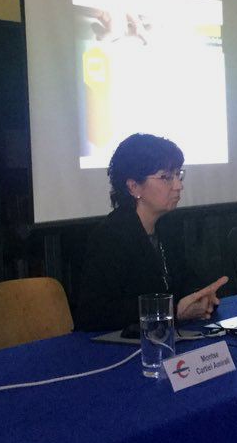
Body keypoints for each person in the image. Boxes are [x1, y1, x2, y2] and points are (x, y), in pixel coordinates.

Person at [74, 133, 228, 331]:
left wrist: (201, 297)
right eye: (166, 177)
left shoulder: (167, 228)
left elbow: (185, 281)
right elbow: (94, 313)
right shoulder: (110, 236)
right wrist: (172, 310)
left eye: (178, 175)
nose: (178, 185)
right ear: (134, 187)